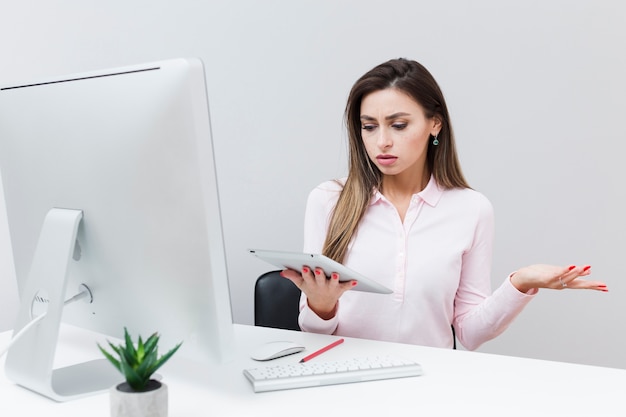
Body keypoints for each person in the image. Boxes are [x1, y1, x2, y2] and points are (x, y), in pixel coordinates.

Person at [281, 58, 608, 350]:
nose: (381, 141)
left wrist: (520, 283)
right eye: (369, 127)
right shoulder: (328, 200)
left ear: (434, 123)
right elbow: (311, 332)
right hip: (345, 378)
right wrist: (321, 307)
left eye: (398, 125)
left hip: (431, 384)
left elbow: (470, 333)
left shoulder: (472, 209)